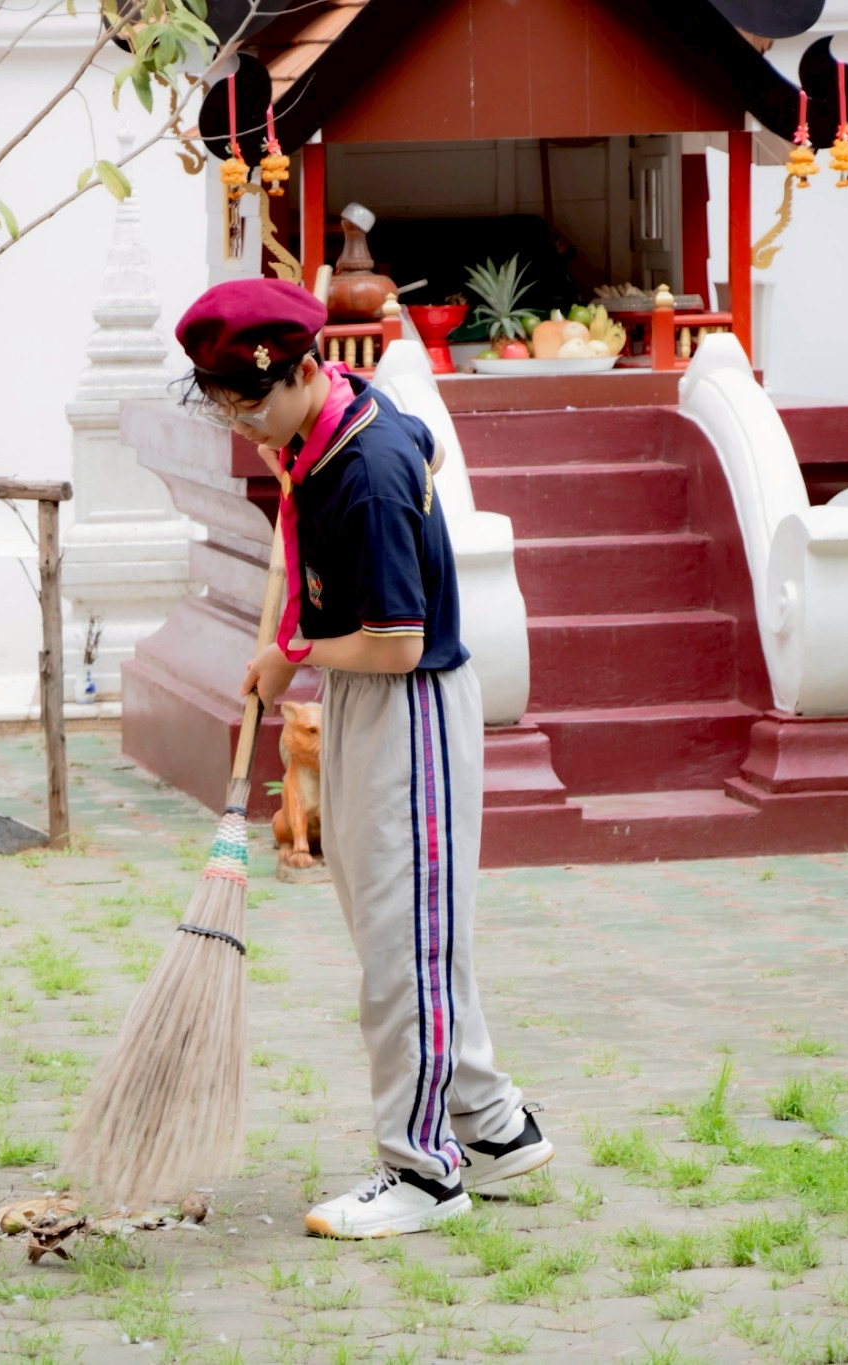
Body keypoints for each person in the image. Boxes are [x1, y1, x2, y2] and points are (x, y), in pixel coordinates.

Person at [174, 277, 554, 1238]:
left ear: (303, 370)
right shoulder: (326, 425)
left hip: (407, 701)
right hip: (366, 697)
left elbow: (394, 640)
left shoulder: (370, 471)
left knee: (402, 942)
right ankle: (491, 1123)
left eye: (251, 406)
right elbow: (411, 463)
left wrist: (291, 652)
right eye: (226, 410)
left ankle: (424, 1169)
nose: (245, 429)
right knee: (404, 928)